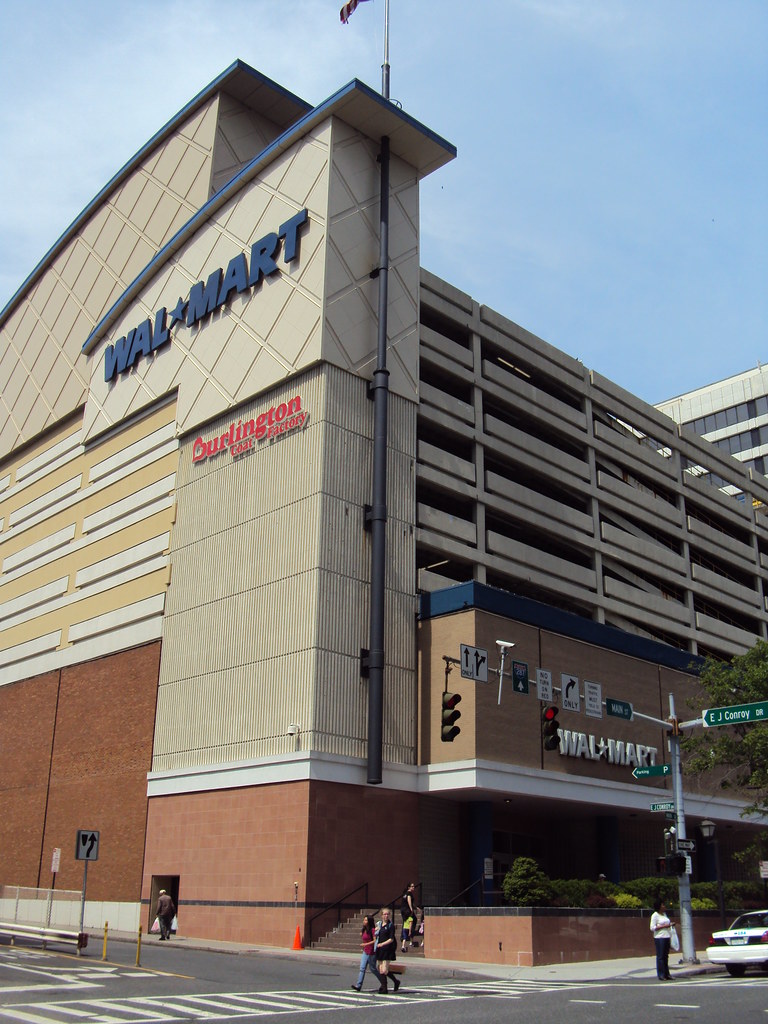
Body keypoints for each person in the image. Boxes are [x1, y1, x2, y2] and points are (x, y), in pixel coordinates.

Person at [351, 914, 381, 991]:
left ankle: (383, 982)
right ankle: (358, 985)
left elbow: (375, 941)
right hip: (365, 951)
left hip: (372, 952)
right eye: (364, 920)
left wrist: (365, 944)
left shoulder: (372, 930)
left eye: (366, 920)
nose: (364, 921)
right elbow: (363, 937)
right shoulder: (364, 929)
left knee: (373, 969)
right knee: (362, 968)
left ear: (369, 921)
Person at [375, 907, 400, 992]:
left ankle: (384, 988)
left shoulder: (390, 925)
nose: (386, 916)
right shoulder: (379, 924)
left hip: (387, 949)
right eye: (384, 914)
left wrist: (382, 944)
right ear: (381, 915)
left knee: (384, 970)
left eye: (387, 914)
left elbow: (391, 939)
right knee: (380, 968)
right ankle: (395, 982)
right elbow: (376, 935)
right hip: (379, 949)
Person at [650, 898, 673, 980]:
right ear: (659, 906)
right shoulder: (655, 915)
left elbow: (667, 924)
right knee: (660, 956)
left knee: (666, 956)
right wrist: (664, 926)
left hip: (667, 936)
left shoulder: (664, 915)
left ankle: (667, 974)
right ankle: (661, 974)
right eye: (663, 905)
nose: (664, 906)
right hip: (660, 937)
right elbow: (652, 928)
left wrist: (670, 925)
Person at [400, 882, 417, 952]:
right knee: (413, 920)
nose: (413, 887)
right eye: (412, 886)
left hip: (403, 910)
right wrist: (411, 909)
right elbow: (409, 900)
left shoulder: (405, 893)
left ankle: (404, 936)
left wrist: (415, 907)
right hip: (407, 910)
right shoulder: (409, 893)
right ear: (409, 887)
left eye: (414, 886)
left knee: (405, 922)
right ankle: (410, 938)